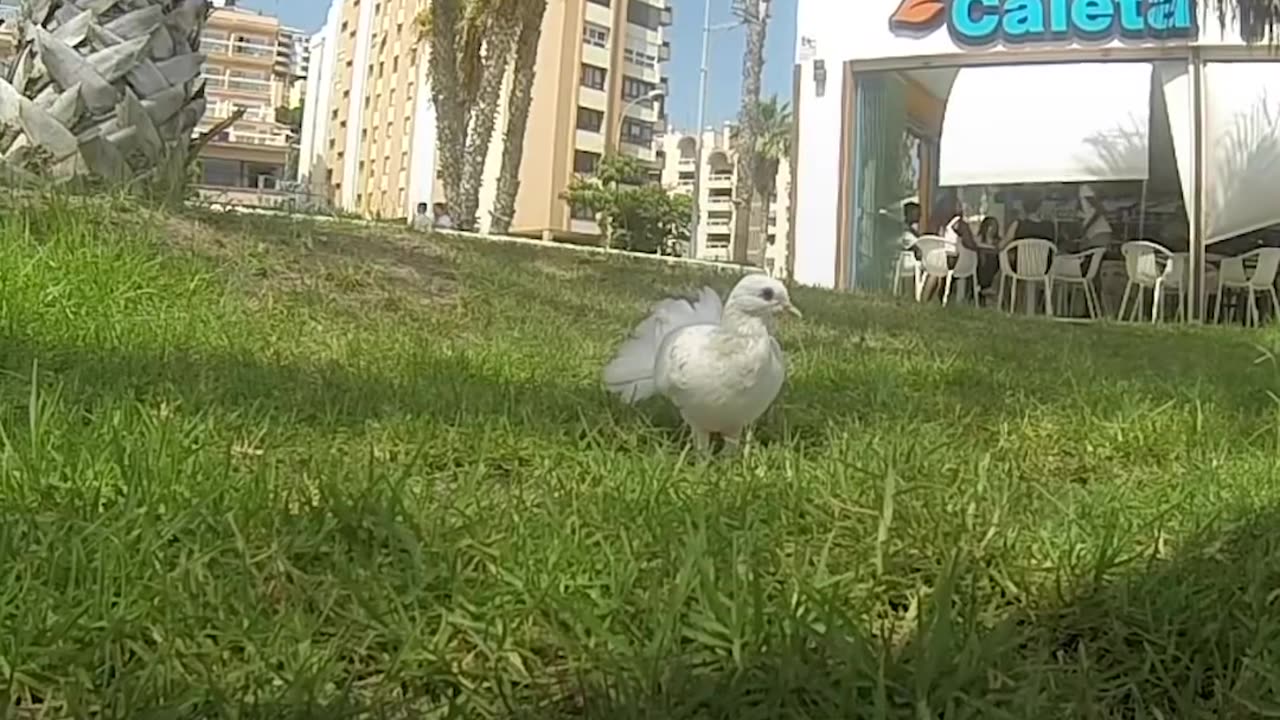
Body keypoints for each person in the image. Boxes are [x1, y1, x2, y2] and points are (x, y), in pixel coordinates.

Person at [1078, 184, 1113, 249]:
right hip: (1095, 234)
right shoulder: (1080, 193)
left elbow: (1100, 209)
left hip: (1099, 232)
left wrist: (1088, 226)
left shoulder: (1084, 189)